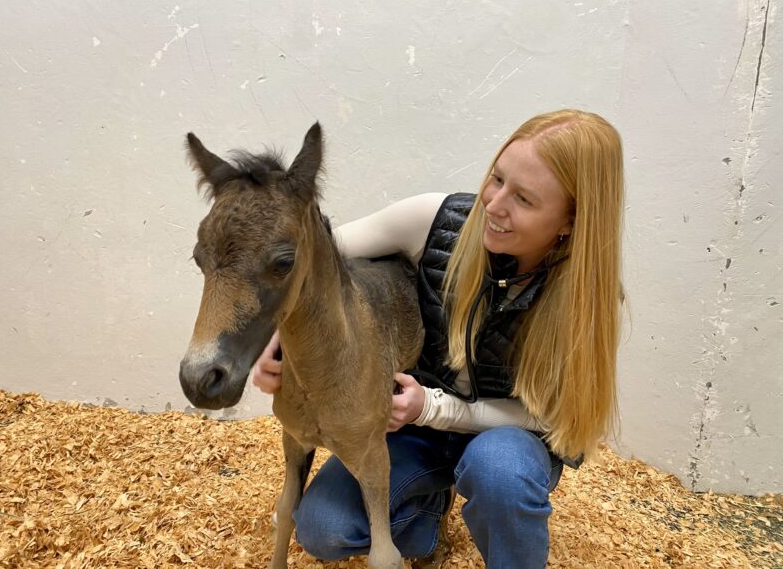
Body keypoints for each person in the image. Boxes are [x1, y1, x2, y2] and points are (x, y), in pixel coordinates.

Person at [252, 109, 624, 568]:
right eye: (497, 178)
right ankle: (429, 516)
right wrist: (271, 343)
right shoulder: (433, 220)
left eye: (524, 199)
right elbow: (307, 265)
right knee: (324, 528)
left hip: (504, 439)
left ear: (570, 220)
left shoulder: (585, 301)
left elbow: (556, 423)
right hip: (414, 433)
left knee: (500, 474)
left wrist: (435, 407)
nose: (494, 204)